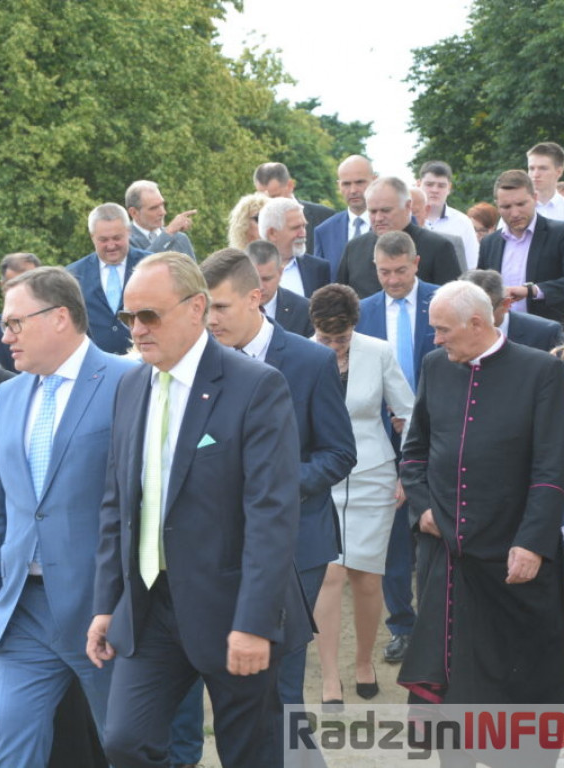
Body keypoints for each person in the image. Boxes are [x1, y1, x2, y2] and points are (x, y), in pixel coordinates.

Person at [88, 251, 312, 767]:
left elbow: (272, 515)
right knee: (125, 741)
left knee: (251, 754)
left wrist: (254, 622)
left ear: (196, 309)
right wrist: (107, 603)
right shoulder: (130, 386)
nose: (137, 329)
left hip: (233, 605)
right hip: (150, 608)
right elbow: (117, 504)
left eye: (150, 315)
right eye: (129, 317)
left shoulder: (255, 386)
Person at [0, 267, 134, 767]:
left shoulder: (127, 381)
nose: (5, 336)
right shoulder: (9, 396)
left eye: (15, 323)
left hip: (101, 610)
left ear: (60, 317)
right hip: (20, 613)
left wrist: (122, 604)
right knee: (10, 745)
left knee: (126, 746)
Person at [399, 281, 564, 711]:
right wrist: (423, 510)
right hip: (446, 557)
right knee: (450, 684)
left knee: (516, 678)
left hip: (513, 556)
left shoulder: (542, 371)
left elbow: (552, 469)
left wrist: (532, 543)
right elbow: (414, 453)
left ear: (476, 323)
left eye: (443, 329)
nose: (435, 339)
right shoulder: (435, 366)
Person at [202, 248, 355, 708]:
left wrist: (278, 485)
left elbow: (339, 453)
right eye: (203, 306)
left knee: (283, 685)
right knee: (239, 680)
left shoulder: (311, 361)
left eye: (221, 307)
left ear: (256, 297)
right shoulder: (200, 362)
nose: (210, 319)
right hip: (220, 544)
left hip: (297, 543)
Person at [308, 283, 415, 708]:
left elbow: (409, 414)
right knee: (330, 574)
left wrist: (408, 473)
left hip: (374, 476)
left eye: (342, 338)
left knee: (367, 578)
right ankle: (330, 675)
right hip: (319, 480)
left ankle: (364, 661)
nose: (335, 347)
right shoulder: (299, 353)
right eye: (326, 338)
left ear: (355, 326)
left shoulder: (379, 351)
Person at [355, 231, 438, 665]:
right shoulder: (363, 312)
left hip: (439, 433)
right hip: (382, 439)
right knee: (390, 539)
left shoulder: (442, 303)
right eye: (384, 272)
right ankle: (402, 627)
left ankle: (440, 626)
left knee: (433, 530)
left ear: (416, 263)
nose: (392, 280)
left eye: (400, 271)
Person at [337, 177, 462, 296]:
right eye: (373, 211)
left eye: (386, 210)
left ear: (408, 206)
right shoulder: (354, 249)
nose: (378, 218)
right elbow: (342, 301)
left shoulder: (438, 248)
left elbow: (453, 303)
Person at [477, 169, 564, 322]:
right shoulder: (489, 243)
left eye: (521, 204)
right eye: (506, 207)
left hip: (551, 335)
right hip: (502, 333)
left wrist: (532, 291)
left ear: (535, 198)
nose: (515, 213)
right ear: (497, 206)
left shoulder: (559, 234)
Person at [66, 203, 151, 354]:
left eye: (117, 238)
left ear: (129, 232)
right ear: (92, 237)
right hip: (95, 368)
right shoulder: (73, 275)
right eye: (103, 240)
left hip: (145, 362)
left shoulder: (152, 267)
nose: (111, 245)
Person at [461, 269, 564, 351]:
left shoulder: (544, 334)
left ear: (506, 304)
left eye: (482, 313)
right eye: (463, 312)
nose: (472, 321)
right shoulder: (449, 332)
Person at [314, 155, 376, 280]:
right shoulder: (324, 231)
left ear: (374, 181)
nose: (353, 190)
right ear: (339, 186)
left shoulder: (392, 223)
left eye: (359, 182)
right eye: (346, 184)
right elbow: (320, 281)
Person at [253, 161, 335, 254]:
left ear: (290, 186)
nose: (269, 203)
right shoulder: (252, 222)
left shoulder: (325, 217)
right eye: (263, 198)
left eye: (275, 196)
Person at [258, 197, 331, 299]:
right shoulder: (245, 269)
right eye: (295, 228)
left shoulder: (318, 269)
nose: (303, 233)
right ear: (272, 233)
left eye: (304, 226)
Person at [416, 160, 479, 269]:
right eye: (429, 184)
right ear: (418, 184)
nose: (435, 190)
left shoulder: (463, 223)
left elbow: (471, 266)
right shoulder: (407, 219)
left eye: (441, 186)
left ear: (449, 188)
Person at [248, 239, 314, 338]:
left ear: (280, 272)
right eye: (254, 279)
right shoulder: (230, 308)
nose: (260, 287)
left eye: (266, 279)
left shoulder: (304, 311)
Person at [0, 253, 41, 372]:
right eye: (15, 285)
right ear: (2, 286)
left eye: (29, 283)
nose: (23, 290)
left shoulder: (56, 326)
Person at [125, 180, 197, 258]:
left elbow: (193, 270)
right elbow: (139, 266)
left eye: (162, 205)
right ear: (134, 213)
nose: (163, 212)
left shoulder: (180, 238)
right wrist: (168, 233)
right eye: (154, 208)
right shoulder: (123, 240)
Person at [527, 141, 564, 221]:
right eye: (531, 168)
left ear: (559, 172)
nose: (535, 174)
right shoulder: (516, 211)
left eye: (543, 168)